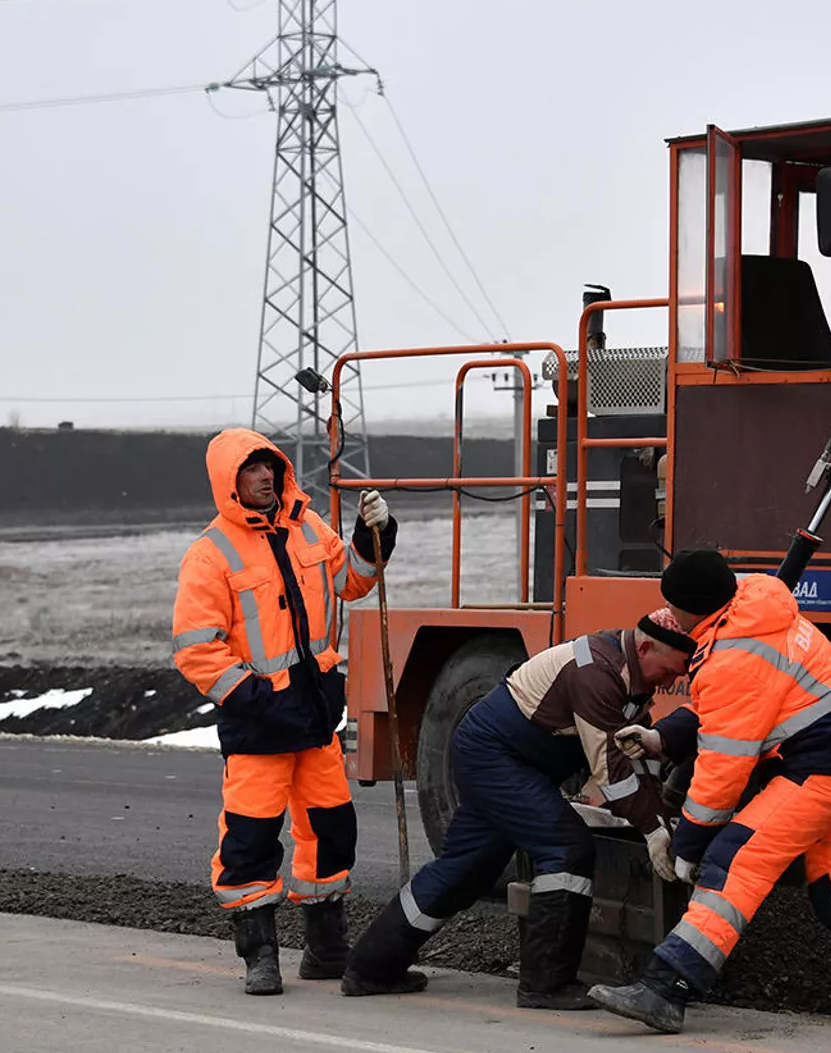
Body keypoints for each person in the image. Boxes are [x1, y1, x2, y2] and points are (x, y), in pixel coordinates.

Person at [590, 550, 831, 1033]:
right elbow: (726, 710)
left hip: (825, 772)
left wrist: (690, 845)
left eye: (674, 608)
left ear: (696, 609)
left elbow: (722, 772)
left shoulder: (733, 656)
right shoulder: (755, 610)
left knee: (733, 861)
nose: (670, 617)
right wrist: (661, 739)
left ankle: (666, 987)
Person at [342, 609, 695, 1009]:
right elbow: (610, 771)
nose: (669, 682)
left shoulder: (631, 675)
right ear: (646, 647)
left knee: (465, 870)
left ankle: (370, 966)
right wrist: (652, 830)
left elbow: (635, 758)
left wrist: (662, 818)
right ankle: (545, 984)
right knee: (566, 849)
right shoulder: (597, 672)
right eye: (668, 671)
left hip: (500, 756)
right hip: (496, 757)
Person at [170, 428, 398, 996]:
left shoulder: (308, 526)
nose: (266, 477)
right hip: (259, 725)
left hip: (316, 716)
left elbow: (354, 582)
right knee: (250, 839)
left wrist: (376, 534)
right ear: (230, 483)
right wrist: (254, 699)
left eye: (270, 467)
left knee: (331, 831)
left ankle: (325, 953)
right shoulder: (210, 553)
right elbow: (196, 649)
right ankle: (260, 957)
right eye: (252, 471)